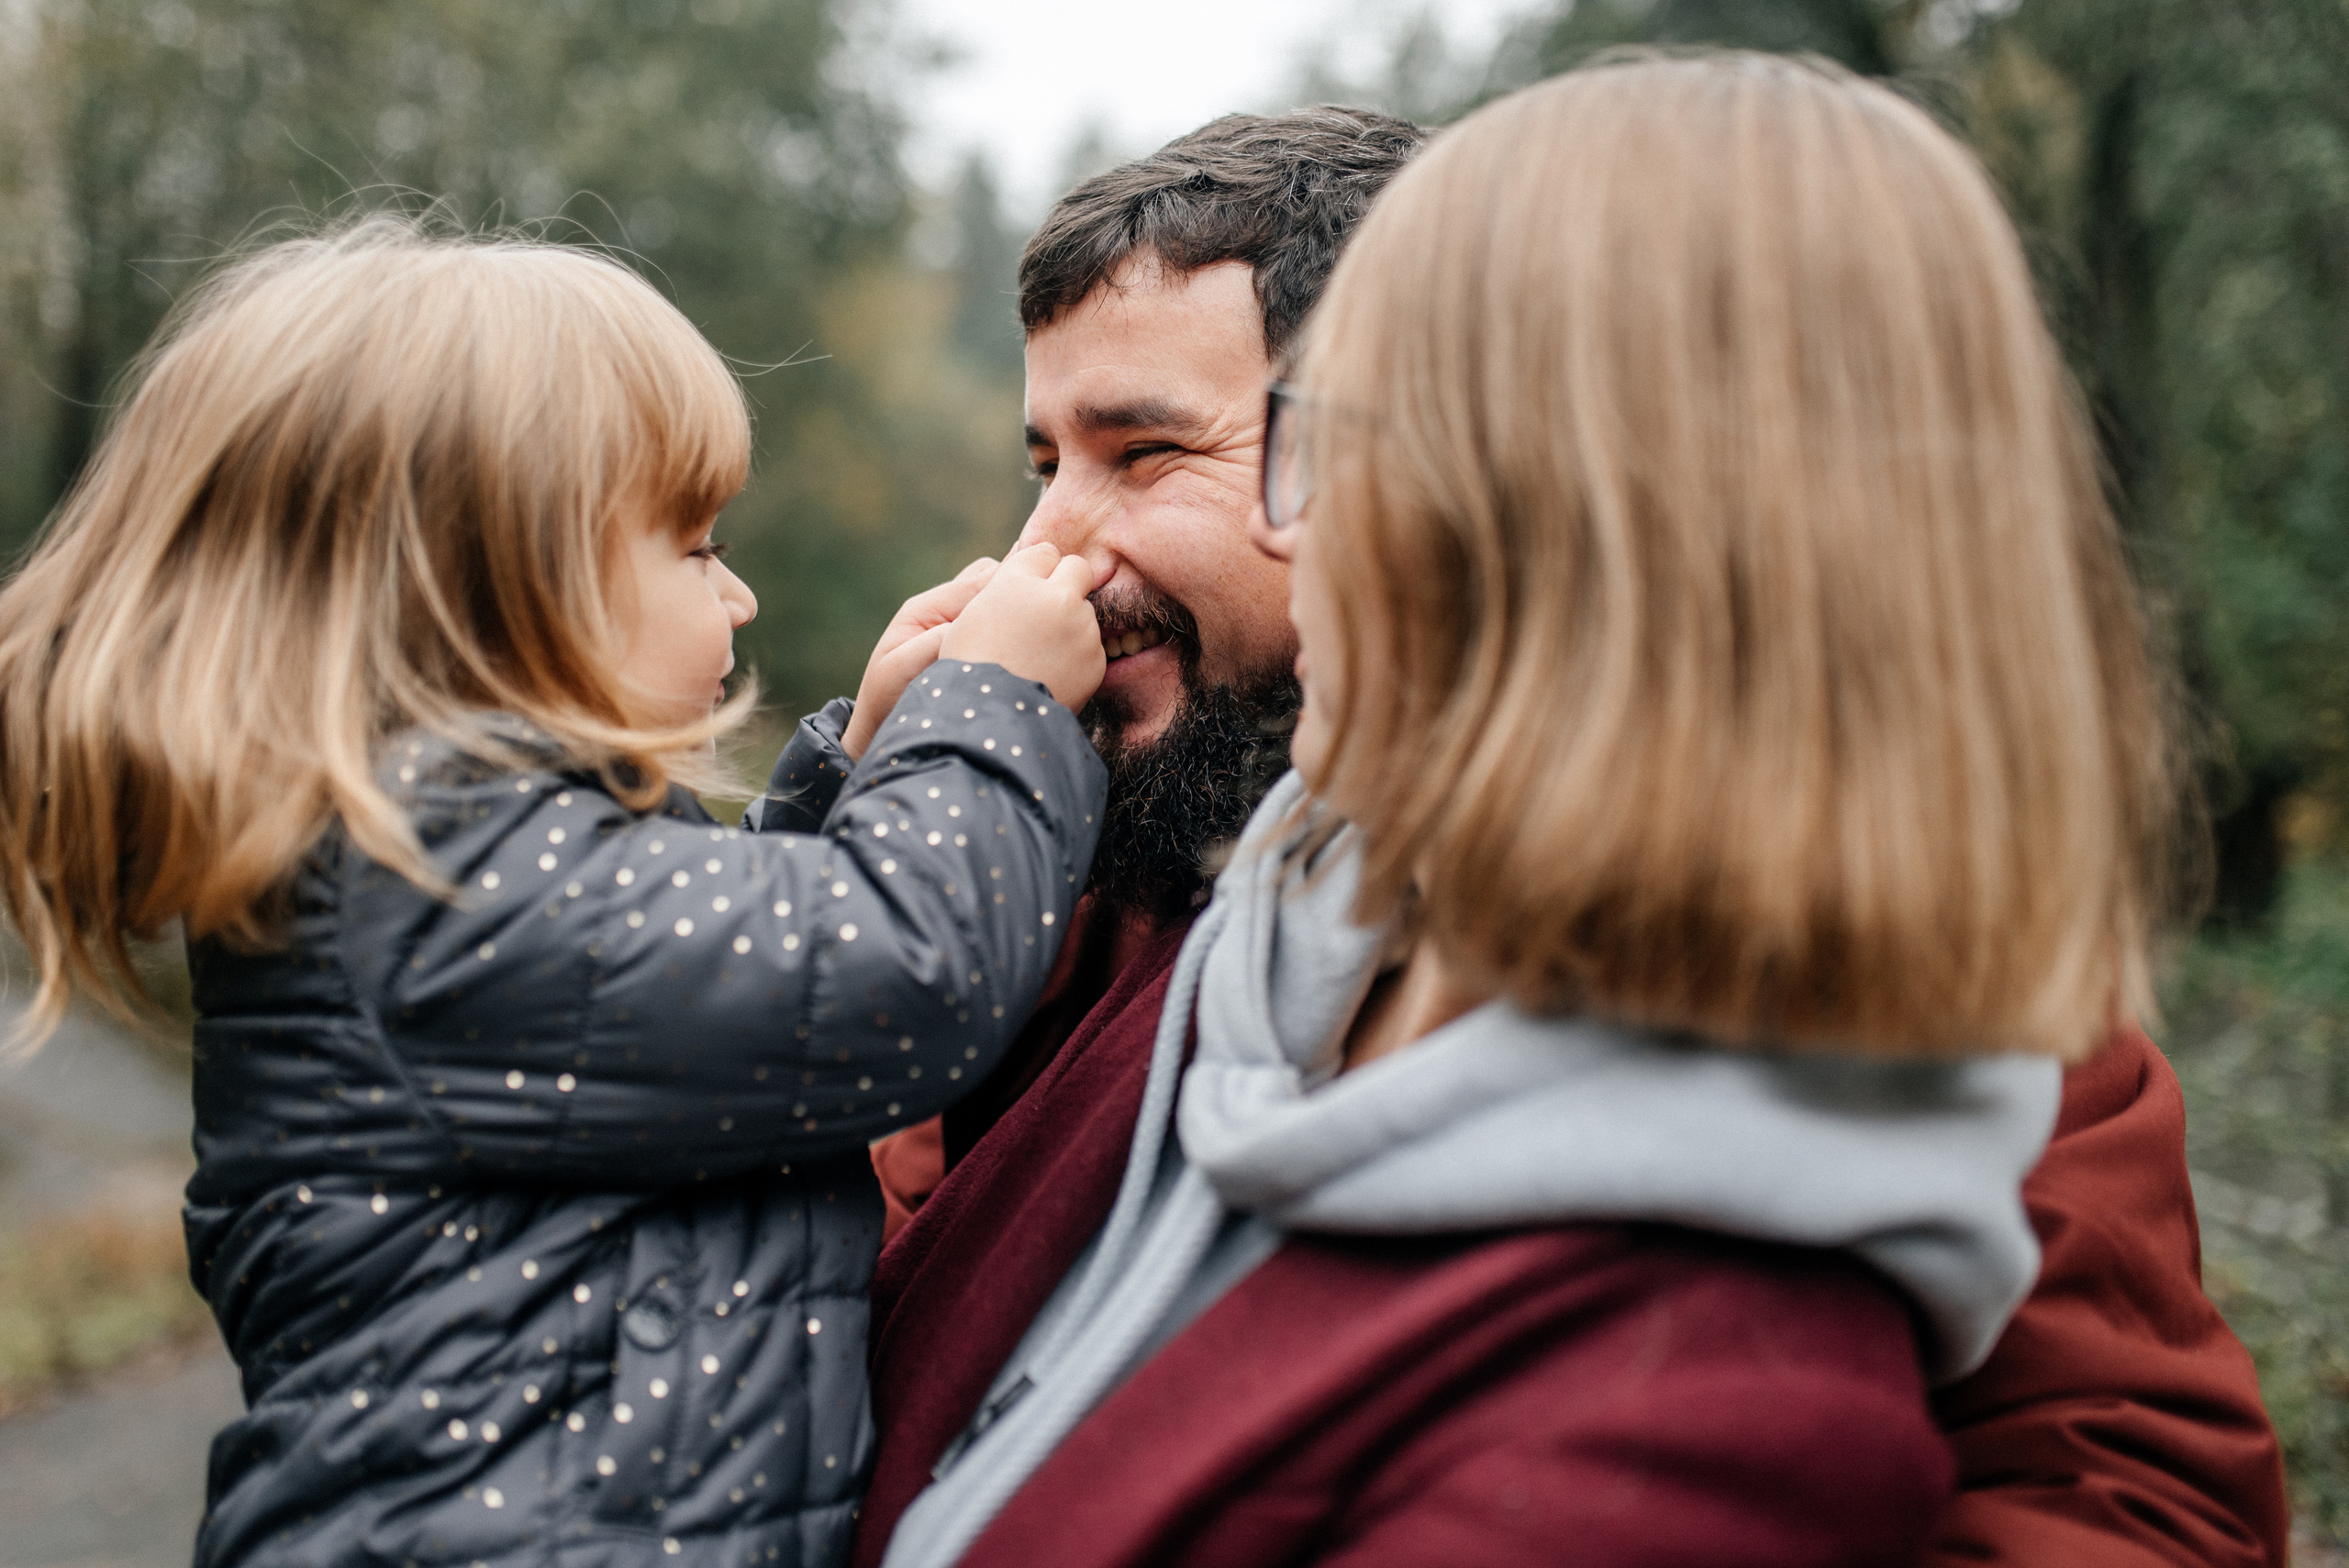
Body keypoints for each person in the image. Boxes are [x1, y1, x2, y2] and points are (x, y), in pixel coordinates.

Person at [848, 108, 2290, 1568]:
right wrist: (906, 874)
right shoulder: (1172, 863)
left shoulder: (1889, 992)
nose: (1048, 558)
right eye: (1044, 466)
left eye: (1148, 452)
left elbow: (2123, 1494)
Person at [0, 219, 1107, 1568]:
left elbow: (706, 969)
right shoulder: (432, 889)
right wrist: (992, 709)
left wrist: (867, 761)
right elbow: (903, 967)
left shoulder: (443, 870)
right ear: (503, 584)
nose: (740, 592)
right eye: (695, 545)